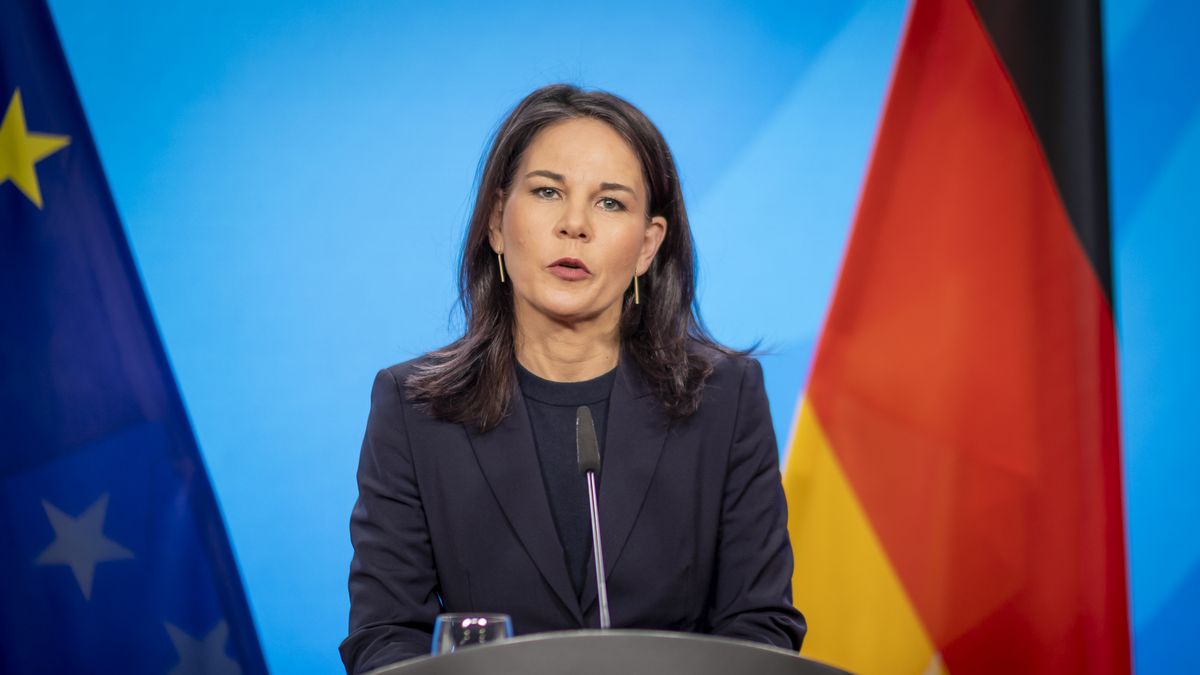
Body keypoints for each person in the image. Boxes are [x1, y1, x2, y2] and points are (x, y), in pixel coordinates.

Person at [339, 83, 806, 674]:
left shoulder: (725, 397)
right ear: (496, 225)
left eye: (610, 203)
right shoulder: (414, 408)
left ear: (647, 245)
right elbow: (385, 635)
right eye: (547, 192)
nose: (575, 225)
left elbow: (761, 624)